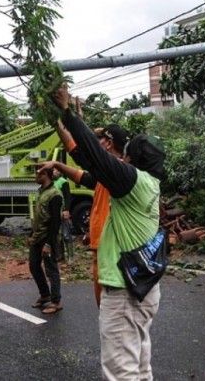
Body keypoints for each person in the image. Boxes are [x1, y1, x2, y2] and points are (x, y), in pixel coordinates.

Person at [50, 86, 165, 381]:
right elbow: (89, 162)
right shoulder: (148, 182)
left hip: (126, 291)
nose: (120, 158)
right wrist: (66, 121)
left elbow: (96, 159)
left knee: (120, 372)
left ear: (131, 159)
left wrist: (69, 114)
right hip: (142, 288)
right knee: (139, 365)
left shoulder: (131, 181)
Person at [41, 123, 129, 307]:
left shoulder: (116, 170)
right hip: (102, 248)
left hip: (111, 252)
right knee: (106, 311)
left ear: (109, 143)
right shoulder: (106, 173)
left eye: (100, 139)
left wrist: (62, 120)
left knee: (112, 311)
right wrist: (58, 164)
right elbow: (81, 176)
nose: (96, 142)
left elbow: (78, 151)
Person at [29, 167, 64, 315]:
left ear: (46, 175)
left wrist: (49, 244)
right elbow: (38, 216)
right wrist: (31, 234)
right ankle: (45, 295)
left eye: (38, 173)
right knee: (33, 265)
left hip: (48, 237)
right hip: (37, 236)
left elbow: (55, 222)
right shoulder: (41, 191)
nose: (36, 175)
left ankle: (56, 302)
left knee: (51, 270)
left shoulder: (55, 195)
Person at [52, 167, 73, 262]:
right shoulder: (51, 183)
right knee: (57, 235)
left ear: (60, 172)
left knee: (66, 235)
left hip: (63, 211)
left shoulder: (63, 182)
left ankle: (70, 257)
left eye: (56, 170)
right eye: (53, 170)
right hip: (55, 212)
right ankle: (60, 256)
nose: (54, 172)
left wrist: (66, 210)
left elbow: (68, 196)